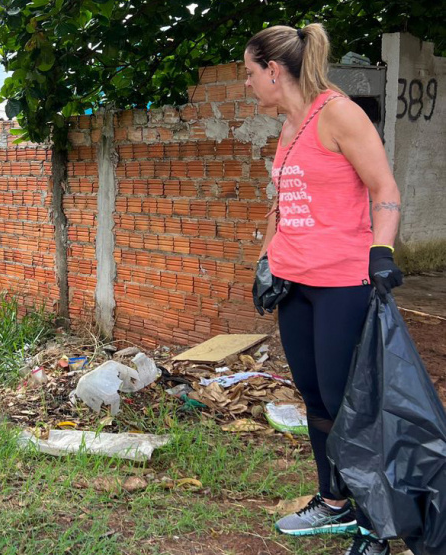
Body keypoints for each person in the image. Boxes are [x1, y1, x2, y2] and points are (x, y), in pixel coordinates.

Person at [245, 23, 403, 555]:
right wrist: (266, 261)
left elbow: (384, 188)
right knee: (314, 398)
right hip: (296, 283)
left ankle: (374, 523)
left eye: (249, 73)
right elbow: (281, 203)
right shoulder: (289, 126)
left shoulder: (338, 113)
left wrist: (382, 251)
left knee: (348, 403)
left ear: (273, 70)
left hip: (341, 282)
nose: (247, 84)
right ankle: (333, 503)